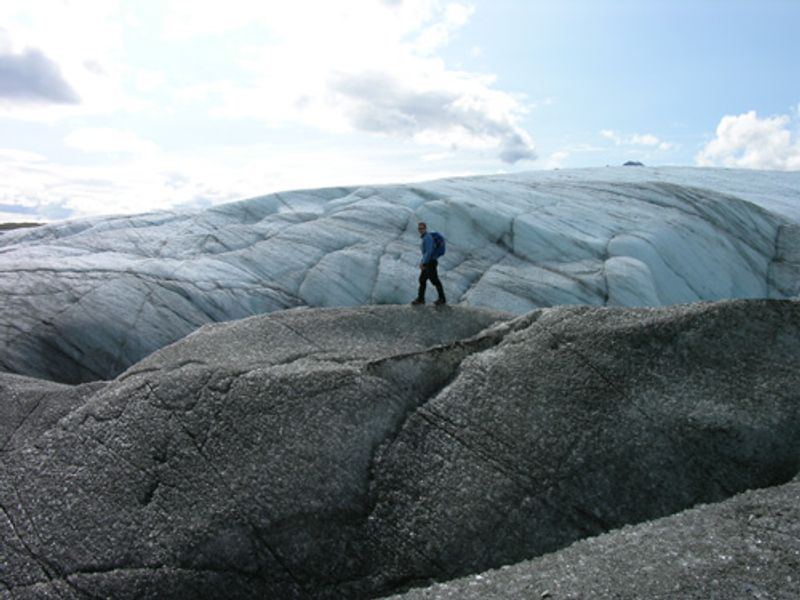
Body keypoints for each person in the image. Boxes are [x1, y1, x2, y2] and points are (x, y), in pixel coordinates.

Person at [411, 222, 446, 306]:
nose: (420, 230)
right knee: (422, 280)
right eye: (419, 228)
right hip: (429, 262)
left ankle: (442, 299)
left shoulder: (427, 238)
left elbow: (428, 252)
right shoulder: (425, 237)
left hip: (430, 262)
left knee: (435, 280)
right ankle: (421, 299)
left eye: (422, 228)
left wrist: (424, 263)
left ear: (425, 229)